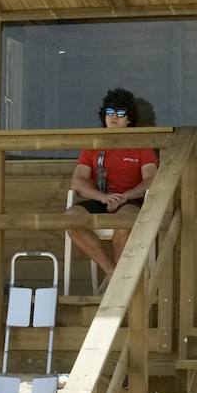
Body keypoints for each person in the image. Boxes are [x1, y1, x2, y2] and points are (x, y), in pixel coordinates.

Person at [65, 87, 157, 282]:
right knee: (69, 219)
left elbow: (151, 178)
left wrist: (126, 195)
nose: (114, 117)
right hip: (100, 198)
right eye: (110, 113)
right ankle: (113, 274)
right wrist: (103, 197)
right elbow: (77, 180)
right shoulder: (94, 144)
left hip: (131, 200)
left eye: (120, 113)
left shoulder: (141, 144)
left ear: (129, 119)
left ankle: (113, 284)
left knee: (123, 223)